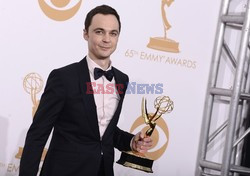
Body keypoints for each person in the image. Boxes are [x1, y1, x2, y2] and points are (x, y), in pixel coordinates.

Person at [19, 4, 152, 176]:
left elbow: (103, 131)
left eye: (113, 33)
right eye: (99, 31)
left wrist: (131, 141)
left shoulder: (122, 79)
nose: (107, 39)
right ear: (85, 34)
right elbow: (38, 134)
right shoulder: (63, 78)